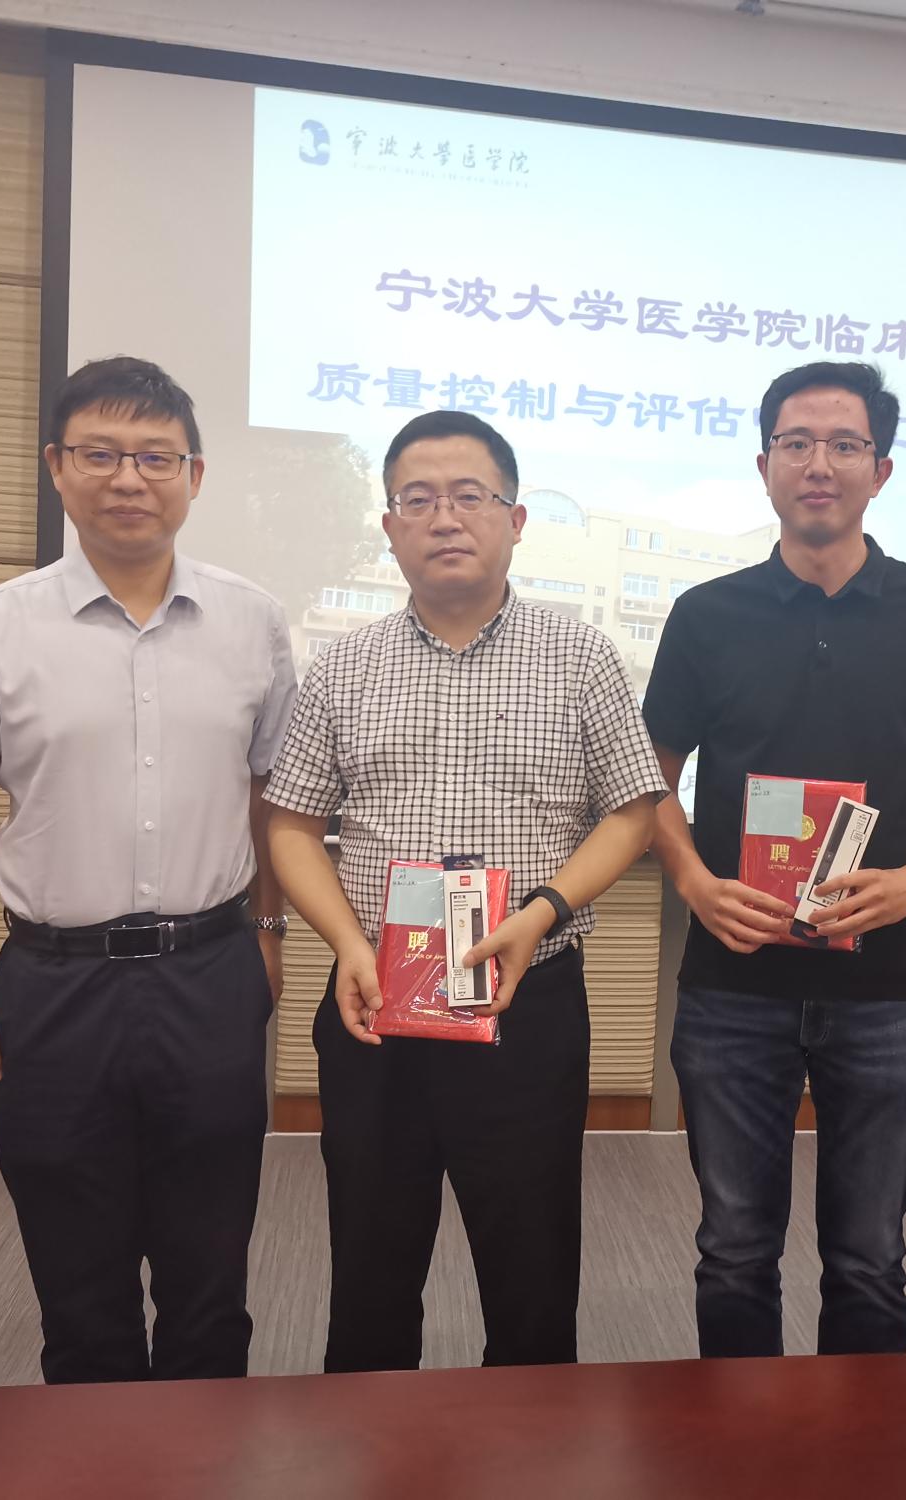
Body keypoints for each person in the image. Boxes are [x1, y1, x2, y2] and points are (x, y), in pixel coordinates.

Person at [0, 356, 298, 1383]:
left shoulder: (253, 622)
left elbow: (271, 800)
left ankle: (202, 1453)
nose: (129, 478)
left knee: (211, 1284)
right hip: (52, 986)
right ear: (57, 467)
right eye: (101, 454)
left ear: (194, 476)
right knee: (80, 1294)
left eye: (155, 457)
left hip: (209, 975)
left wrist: (266, 934)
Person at [263, 409, 666, 1372]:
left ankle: (529, 1439)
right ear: (390, 526)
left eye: (469, 496)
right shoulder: (343, 665)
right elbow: (291, 826)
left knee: (531, 1271)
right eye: (418, 500)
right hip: (376, 1001)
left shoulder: (582, 657)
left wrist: (541, 914)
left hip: (529, 1001)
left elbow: (633, 813)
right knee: (371, 1265)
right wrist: (349, 946)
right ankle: (371, 1435)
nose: (445, 518)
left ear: (516, 520)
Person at [643, 361, 906, 1358]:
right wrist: (694, 883)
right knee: (732, 1248)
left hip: (887, 986)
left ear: (880, 471)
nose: (818, 464)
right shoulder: (705, 613)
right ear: (763, 465)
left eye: (844, 445)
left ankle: (865, 1441)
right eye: (795, 443)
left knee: (869, 1255)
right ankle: (736, 1437)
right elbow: (648, 783)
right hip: (734, 981)